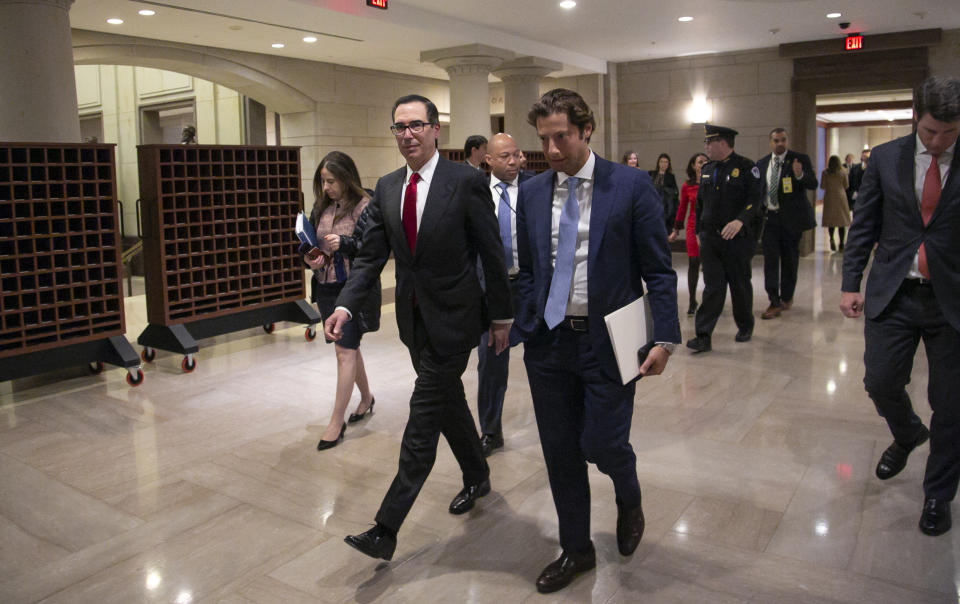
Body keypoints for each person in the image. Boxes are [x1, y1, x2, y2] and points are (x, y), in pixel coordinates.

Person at [326, 94, 513, 561]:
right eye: (398, 128)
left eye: (415, 125)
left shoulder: (466, 181)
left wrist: (501, 316)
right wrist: (346, 307)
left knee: (424, 414)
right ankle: (478, 475)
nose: (406, 135)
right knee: (448, 401)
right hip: (413, 320)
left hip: (457, 318)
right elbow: (370, 257)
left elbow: (492, 253)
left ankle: (386, 527)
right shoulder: (388, 187)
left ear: (435, 130)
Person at [514, 88, 681, 593]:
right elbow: (528, 267)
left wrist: (666, 337)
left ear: (586, 130)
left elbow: (658, 268)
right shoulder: (532, 191)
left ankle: (628, 494)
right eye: (544, 139)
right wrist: (526, 318)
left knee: (602, 443)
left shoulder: (629, 185)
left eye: (561, 136)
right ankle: (576, 549)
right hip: (549, 342)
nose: (552, 149)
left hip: (610, 340)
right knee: (561, 451)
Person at [840, 75, 960, 537]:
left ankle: (938, 493)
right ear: (916, 117)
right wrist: (851, 282)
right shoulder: (888, 158)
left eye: (949, 133)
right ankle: (909, 432)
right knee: (881, 380)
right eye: (930, 132)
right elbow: (864, 223)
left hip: (952, 299)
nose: (938, 142)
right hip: (895, 291)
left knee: (951, 404)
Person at [302, 151, 380, 450]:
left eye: (331, 181)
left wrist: (344, 243)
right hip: (326, 286)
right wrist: (310, 257)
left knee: (344, 351)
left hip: (353, 288)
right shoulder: (321, 206)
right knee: (346, 347)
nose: (326, 188)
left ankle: (336, 421)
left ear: (347, 178)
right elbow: (307, 242)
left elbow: (371, 249)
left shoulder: (365, 205)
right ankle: (366, 397)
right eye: (322, 181)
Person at [475, 133, 533, 457]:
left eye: (517, 154)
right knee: (491, 360)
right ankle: (490, 430)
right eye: (505, 157)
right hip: (494, 289)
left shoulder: (534, 187)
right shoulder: (477, 192)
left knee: (541, 356)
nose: (513, 162)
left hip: (528, 285)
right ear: (489, 161)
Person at [686, 124, 762, 352]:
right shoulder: (708, 169)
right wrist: (699, 231)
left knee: (739, 284)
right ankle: (703, 335)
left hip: (736, 239)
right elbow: (700, 204)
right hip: (710, 238)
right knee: (712, 287)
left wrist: (740, 220)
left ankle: (745, 325)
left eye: (710, 142)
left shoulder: (747, 167)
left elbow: (756, 200)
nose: (706, 146)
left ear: (722, 143)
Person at [756, 128, 818, 320]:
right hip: (770, 219)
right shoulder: (762, 163)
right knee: (770, 261)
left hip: (791, 220)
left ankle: (787, 297)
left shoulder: (799, 159)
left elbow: (813, 183)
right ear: (770, 142)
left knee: (790, 261)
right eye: (776, 140)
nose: (780, 143)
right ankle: (774, 301)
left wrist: (799, 175)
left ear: (787, 141)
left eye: (783, 140)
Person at [670, 153, 708, 315]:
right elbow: (682, 208)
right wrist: (676, 229)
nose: (703, 164)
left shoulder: (713, 182)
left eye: (705, 162)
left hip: (710, 227)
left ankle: (711, 300)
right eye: (700, 162)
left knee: (711, 265)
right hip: (693, 227)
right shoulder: (688, 185)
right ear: (693, 165)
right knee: (694, 262)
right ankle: (692, 300)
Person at [820, 155, 851, 252]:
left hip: (829, 197)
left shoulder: (825, 173)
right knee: (842, 222)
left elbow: (822, 186)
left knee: (831, 221)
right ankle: (841, 243)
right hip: (841, 197)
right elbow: (846, 185)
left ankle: (831, 238)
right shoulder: (843, 172)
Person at [649, 153, 679, 230]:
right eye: (662, 161)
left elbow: (675, 192)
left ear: (669, 164)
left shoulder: (671, 176)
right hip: (652, 206)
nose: (664, 164)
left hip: (665, 207)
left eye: (666, 162)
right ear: (658, 163)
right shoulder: (651, 174)